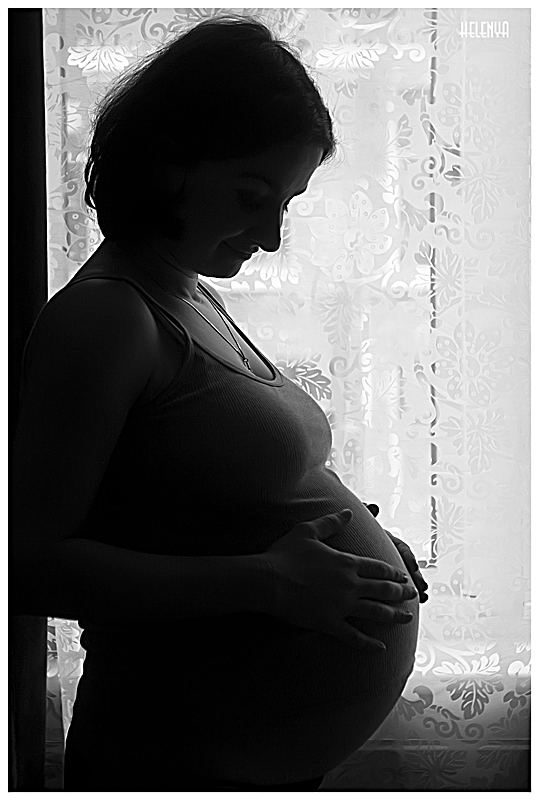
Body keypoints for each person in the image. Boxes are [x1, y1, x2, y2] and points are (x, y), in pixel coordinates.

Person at [13, 16, 428, 791]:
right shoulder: (107, 316)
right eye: (250, 195)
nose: (270, 236)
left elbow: (198, 503)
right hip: (168, 758)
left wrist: (352, 554)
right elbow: (28, 566)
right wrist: (268, 581)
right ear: (169, 163)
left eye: (287, 202)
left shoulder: (188, 293)